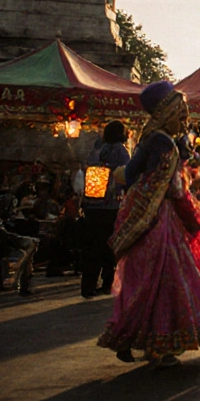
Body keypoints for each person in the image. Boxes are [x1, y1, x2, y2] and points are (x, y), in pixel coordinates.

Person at [97, 82, 200, 368]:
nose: (185, 119)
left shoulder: (150, 138)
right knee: (167, 282)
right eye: (180, 113)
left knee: (147, 281)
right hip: (163, 222)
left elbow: (131, 175)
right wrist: (195, 217)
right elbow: (171, 187)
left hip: (144, 216)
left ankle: (139, 339)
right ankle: (159, 346)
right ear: (166, 111)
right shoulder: (164, 143)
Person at [81, 121, 131, 298]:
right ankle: (107, 282)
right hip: (111, 204)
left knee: (91, 245)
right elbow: (127, 173)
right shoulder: (120, 150)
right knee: (108, 244)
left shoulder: (96, 147)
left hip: (91, 202)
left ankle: (88, 285)